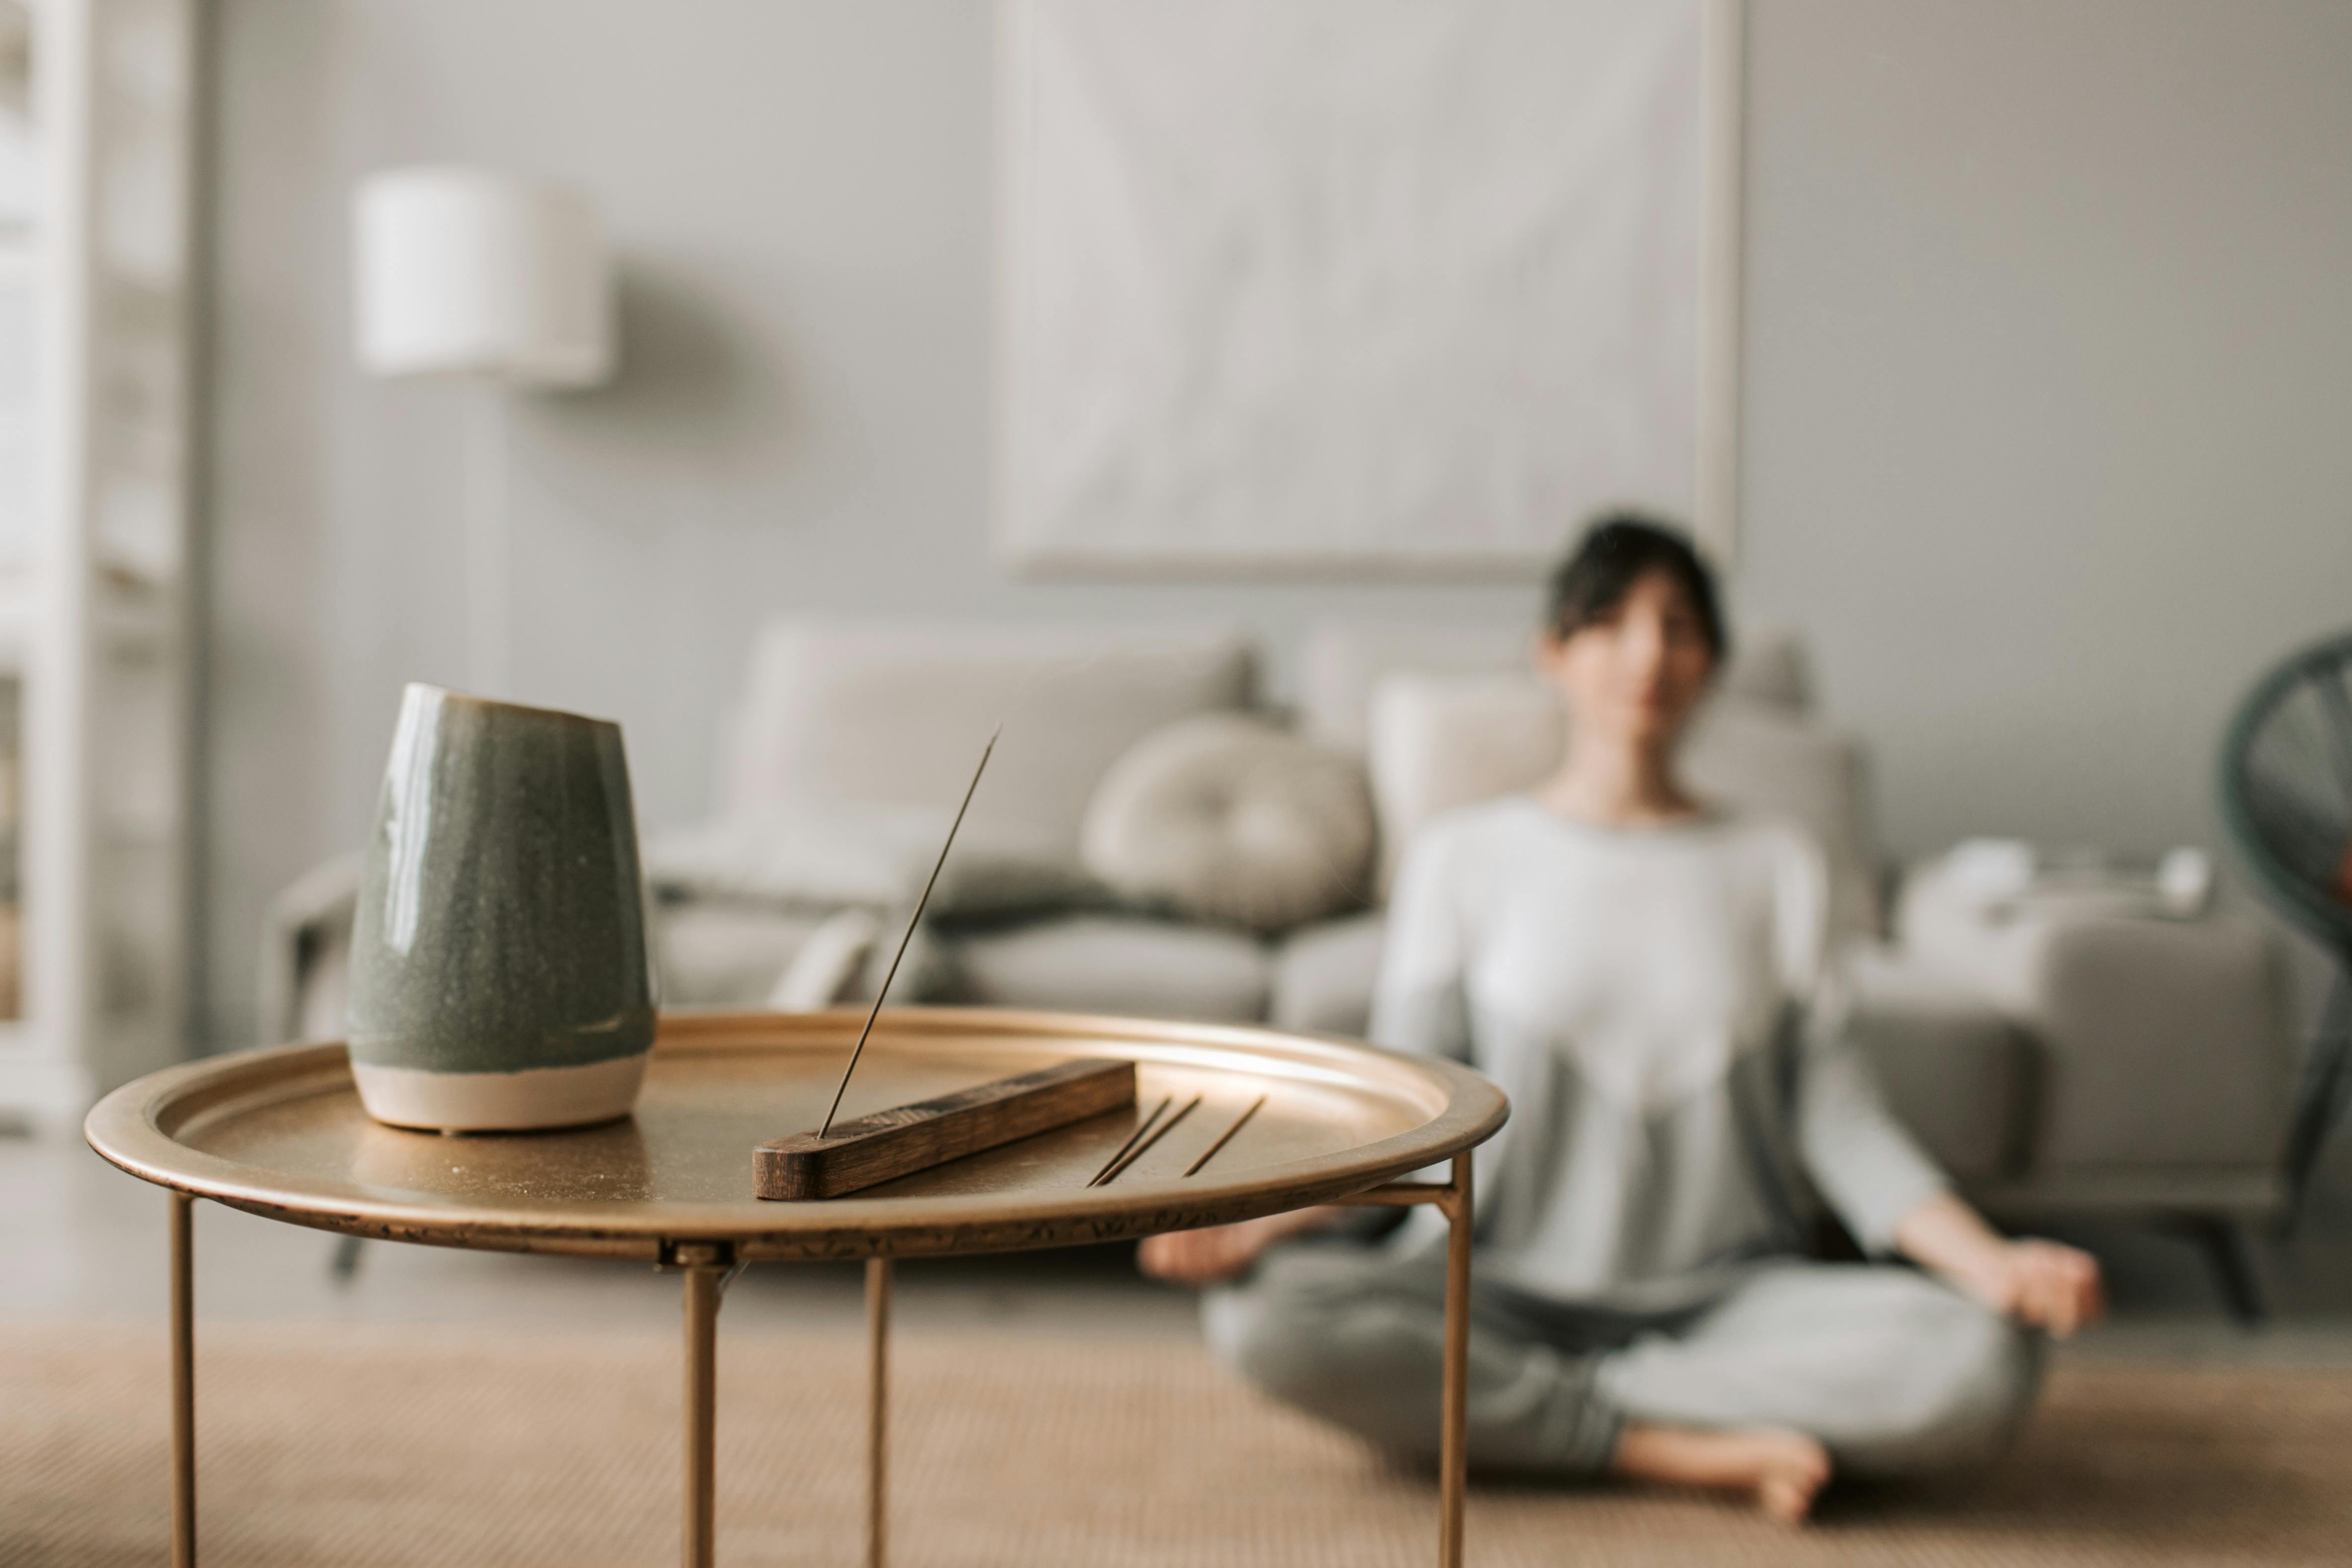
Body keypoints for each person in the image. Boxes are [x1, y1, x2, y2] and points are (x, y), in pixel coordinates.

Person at [1139, 516, 2103, 1524]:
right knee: (1264, 1320)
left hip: (1729, 1305)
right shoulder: (1464, 858)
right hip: (1490, 1289)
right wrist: (1268, 1210)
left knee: (1981, 1360)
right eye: (1608, 622)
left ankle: (1530, 1418)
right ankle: (1663, 1448)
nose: (1646, 653)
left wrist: (1992, 1261)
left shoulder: (1778, 863)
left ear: (1713, 662)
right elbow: (1412, 1118)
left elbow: (1842, 1126)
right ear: (1553, 654)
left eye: (1678, 625)